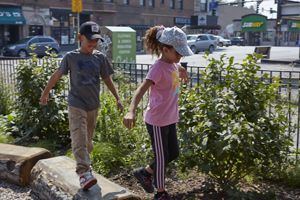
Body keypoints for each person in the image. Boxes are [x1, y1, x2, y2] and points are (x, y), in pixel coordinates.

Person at [40, 21, 123, 190]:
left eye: (96, 41)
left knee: (87, 141)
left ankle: (85, 161)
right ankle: (84, 172)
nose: (93, 44)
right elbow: (57, 74)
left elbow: (107, 79)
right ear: (79, 38)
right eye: (89, 40)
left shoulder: (99, 58)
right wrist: (46, 92)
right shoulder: (71, 57)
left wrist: (118, 98)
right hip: (76, 104)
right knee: (79, 137)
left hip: (93, 106)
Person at [123, 26, 193, 200]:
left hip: (170, 118)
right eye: (178, 53)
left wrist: (181, 69)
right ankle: (160, 193)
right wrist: (131, 111)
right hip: (157, 120)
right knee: (161, 157)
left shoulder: (173, 64)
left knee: (173, 153)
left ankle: (144, 173)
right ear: (165, 49)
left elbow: (176, 66)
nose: (180, 56)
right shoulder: (158, 68)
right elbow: (140, 89)